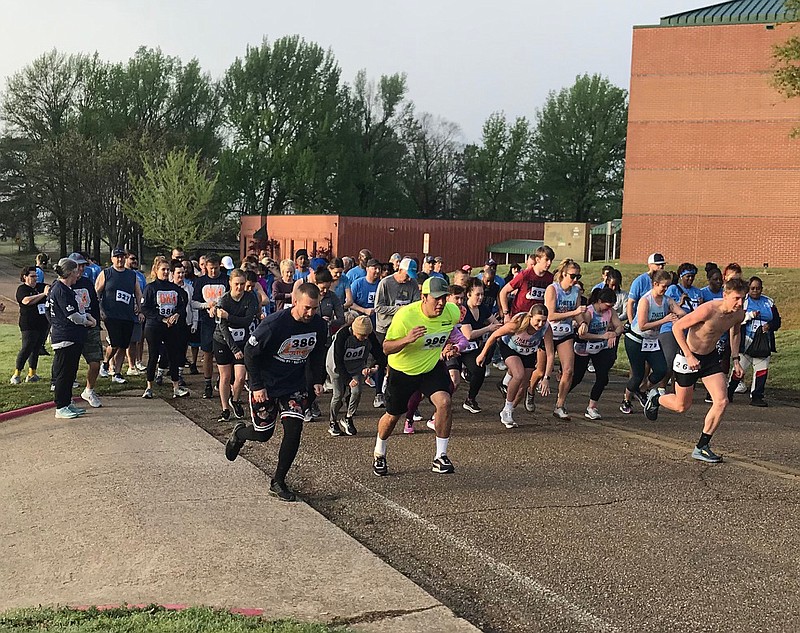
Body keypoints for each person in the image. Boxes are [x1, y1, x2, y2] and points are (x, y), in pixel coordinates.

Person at [224, 283, 328, 502]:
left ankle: (278, 481)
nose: (311, 313)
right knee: (263, 434)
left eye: (314, 308)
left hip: (294, 384)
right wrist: (257, 385)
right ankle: (239, 434)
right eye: (307, 308)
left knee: (294, 429)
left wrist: (317, 380)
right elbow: (250, 353)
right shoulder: (274, 324)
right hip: (268, 384)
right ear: (296, 302)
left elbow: (318, 352)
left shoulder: (319, 325)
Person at [643, 278, 748, 463]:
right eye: (737, 298)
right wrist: (689, 355)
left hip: (709, 359)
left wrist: (736, 360)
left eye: (743, 299)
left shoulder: (738, 314)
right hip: (687, 356)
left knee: (722, 401)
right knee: (682, 406)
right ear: (725, 296)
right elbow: (677, 327)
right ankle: (656, 397)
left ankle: (702, 446)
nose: (740, 303)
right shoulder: (708, 310)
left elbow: (736, 332)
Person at [373, 277, 461, 476]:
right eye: (436, 299)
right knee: (393, 416)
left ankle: (440, 456)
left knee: (445, 402)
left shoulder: (451, 312)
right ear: (423, 297)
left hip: (430, 367)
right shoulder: (406, 316)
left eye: (444, 298)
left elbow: (449, 331)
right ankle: (380, 452)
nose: (440, 303)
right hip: (403, 370)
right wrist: (407, 339)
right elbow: (386, 348)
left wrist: (450, 346)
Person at [476, 304, 554, 429]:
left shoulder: (546, 328)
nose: (540, 324)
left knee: (523, 387)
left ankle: (508, 412)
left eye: (543, 321)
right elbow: (494, 335)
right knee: (519, 374)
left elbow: (550, 354)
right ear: (530, 317)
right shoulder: (517, 323)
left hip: (529, 352)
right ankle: (507, 408)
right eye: (537, 320)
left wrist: (546, 378)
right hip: (510, 348)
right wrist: (483, 354)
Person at [621, 270, 685, 413]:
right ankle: (626, 399)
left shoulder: (667, 300)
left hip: (652, 341)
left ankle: (642, 390)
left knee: (661, 369)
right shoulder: (646, 300)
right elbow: (643, 325)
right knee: (637, 375)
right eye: (663, 286)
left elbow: (681, 312)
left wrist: (681, 316)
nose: (665, 289)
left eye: (668, 286)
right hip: (636, 340)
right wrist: (665, 319)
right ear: (655, 284)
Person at [48, 258, 96, 419]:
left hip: (74, 337)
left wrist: (87, 315)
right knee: (64, 373)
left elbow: (78, 310)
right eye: (76, 271)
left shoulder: (66, 288)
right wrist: (87, 321)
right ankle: (60, 406)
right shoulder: (60, 289)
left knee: (70, 373)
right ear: (69, 273)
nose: (78, 275)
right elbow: (72, 315)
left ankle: (67, 402)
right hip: (65, 337)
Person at [570, 288, 625, 419]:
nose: (609, 308)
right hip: (584, 347)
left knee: (603, 377)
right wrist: (603, 336)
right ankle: (561, 399)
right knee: (577, 377)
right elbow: (582, 335)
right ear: (599, 301)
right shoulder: (589, 313)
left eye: (611, 306)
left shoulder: (610, 312)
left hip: (600, 348)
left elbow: (619, 326)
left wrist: (614, 334)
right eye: (607, 305)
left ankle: (592, 407)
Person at [541, 258, 586, 420]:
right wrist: (574, 314)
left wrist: (582, 323)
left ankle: (559, 405)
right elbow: (551, 315)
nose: (575, 280)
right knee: (539, 371)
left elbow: (578, 312)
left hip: (565, 333)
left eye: (578, 277)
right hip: (548, 332)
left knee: (568, 370)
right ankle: (531, 391)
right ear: (563, 274)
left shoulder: (576, 291)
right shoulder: (552, 289)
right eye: (572, 276)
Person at [373, 257, 421, 408]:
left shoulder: (412, 284)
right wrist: (398, 310)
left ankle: (397, 393)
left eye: (411, 276)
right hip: (385, 327)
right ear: (400, 270)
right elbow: (378, 307)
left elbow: (416, 303)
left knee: (401, 360)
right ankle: (378, 393)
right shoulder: (385, 283)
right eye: (407, 275)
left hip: (404, 327)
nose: (408, 279)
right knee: (383, 360)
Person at [212, 269, 260, 419]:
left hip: (242, 340)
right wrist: (233, 349)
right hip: (223, 341)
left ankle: (236, 400)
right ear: (230, 284)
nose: (240, 287)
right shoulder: (224, 300)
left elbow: (247, 320)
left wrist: (229, 316)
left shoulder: (250, 298)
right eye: (236, 284)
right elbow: (223, 327)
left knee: (240, 376)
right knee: (225, 376)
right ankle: (225, 408)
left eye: (242, 284)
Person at [140, 257, 190, 400]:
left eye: (168, 270)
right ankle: (149, 387)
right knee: (153, 355)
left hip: (171, 327)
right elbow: (145, 308)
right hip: (154, 327)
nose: (166, 272)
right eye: (163, 269)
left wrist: (177, 315)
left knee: (173, 356)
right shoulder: (150, 288)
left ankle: (176, 387)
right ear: (156, 271)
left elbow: (182, 306)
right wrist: (161, 318)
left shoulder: (174, 288)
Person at [727, 276, 781, 407]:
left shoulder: (769, 302)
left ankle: (757, 396)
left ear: (762, 289)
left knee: (762, 370)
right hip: (746, 341)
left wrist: (770, 326)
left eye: (758, 288)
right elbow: (735, 320)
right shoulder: (743, 301)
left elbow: (777, 321)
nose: (755, 291)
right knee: (738, 370)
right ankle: (729, 392)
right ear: (748, 289)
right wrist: (750, 316)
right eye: (752, 288)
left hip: (763, 342)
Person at [326, 315, 384, 437]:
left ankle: (348, 417)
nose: (365, 338)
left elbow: (379, 354)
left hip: (355, 366)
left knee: (357, 391)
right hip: (336, 367)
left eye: (367, 335)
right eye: (362, 335)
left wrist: (374, 366)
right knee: (338, 395)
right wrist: (347, 380)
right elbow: (338, 360)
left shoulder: (369, 335)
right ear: (355, 331)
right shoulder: (342, 336)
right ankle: (333, 421)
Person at [96, 248, 143, 384]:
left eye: (122, 257)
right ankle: (105, 363)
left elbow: (138, 293)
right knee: (115, 342)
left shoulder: (132, 275)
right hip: (111, 314)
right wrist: (99, 310)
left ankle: (117, 373)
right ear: (112, 259)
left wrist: (140, 311)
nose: (120, 259)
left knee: (124, 344)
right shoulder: (106, 273)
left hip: (127, 315)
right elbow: (97, 292)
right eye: (117, 257)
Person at [460, 278, 502, 413]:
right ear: (468, 294)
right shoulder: (463, 309)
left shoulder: (483, 308)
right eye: (477, 294)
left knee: (480, 369)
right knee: (452, 380)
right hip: (457, 347)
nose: (481, 297)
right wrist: (488, 328)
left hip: (471, 348)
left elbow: (496, 324)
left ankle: (470, 399)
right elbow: (468, 335)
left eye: (482, 294)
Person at [69, 253, 104, 408]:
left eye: (83, 265)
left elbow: (94, 304)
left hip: (90, 327)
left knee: (95, 362)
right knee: (70, 365)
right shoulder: (63, 284)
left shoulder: (87, 283)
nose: (82, 268)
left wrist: (96, 322)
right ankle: (66, 395)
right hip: (72, 329)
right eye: (78, 265)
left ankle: (89, 390)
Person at [192, 253, 229, 399]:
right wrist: (207, 305)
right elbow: (194, 303)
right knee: (207, 353)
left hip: (224, 322)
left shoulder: (226, 280)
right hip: (207, 322)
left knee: (225, 352)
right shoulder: (201, 281)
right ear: (205, 267)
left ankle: (224, 379)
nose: (213, 271)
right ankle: (207, 383)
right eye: (210, 269)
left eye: (215, 268)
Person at [11, 266, 49, 385]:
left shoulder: (41, 287)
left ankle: (32, 373)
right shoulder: (22, 289)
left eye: (36, 276)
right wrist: (43, 294)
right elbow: (26, 301)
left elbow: (50, 288)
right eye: (32, 276)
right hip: (29, 324)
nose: (35, 278)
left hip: (42, 323)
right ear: (25, 277)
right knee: (27, 347)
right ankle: (17, 374)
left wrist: (47, 288)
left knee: (36, 348)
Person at [124, 251, 148, 375]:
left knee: (138, 339)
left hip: (138, 312)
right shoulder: (123, 274)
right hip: (125, 311)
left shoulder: (140, 275)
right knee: (124, 341)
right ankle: (113, 366)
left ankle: (138, 362)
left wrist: (141, 308)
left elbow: (143, 292)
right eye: (132, 258)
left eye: (136, 259)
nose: (135, 261)